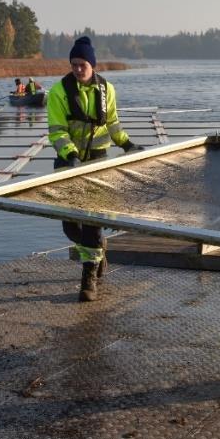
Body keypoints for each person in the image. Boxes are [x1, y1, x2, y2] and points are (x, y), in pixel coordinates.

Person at [47, 36, 143, 302]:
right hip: (69, 163)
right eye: (74, 64)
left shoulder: (107, 89)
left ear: (92, 64)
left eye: (83, 64)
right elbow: (56, 131)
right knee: (70, 226)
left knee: (92, 224)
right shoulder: (58, 92)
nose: (78, 69)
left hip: (99, 163)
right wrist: (71, 154)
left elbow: (112, 123)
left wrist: (127, 144)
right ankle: (98, 250)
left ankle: (89, 278)